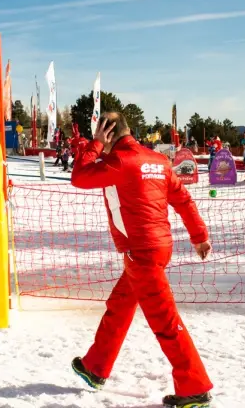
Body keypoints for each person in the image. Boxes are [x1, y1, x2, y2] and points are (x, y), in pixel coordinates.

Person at [70, 113, 213, 408]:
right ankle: (95, 366)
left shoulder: (118, 162)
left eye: (100, 132)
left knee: (165, 322)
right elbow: (183, 200)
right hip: (156, 248)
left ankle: (194, 388)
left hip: (141, 254)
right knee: (119, 307)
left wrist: (96, 144)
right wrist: (199, 236)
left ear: (108, 133)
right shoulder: (158, 161)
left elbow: (80, 176)